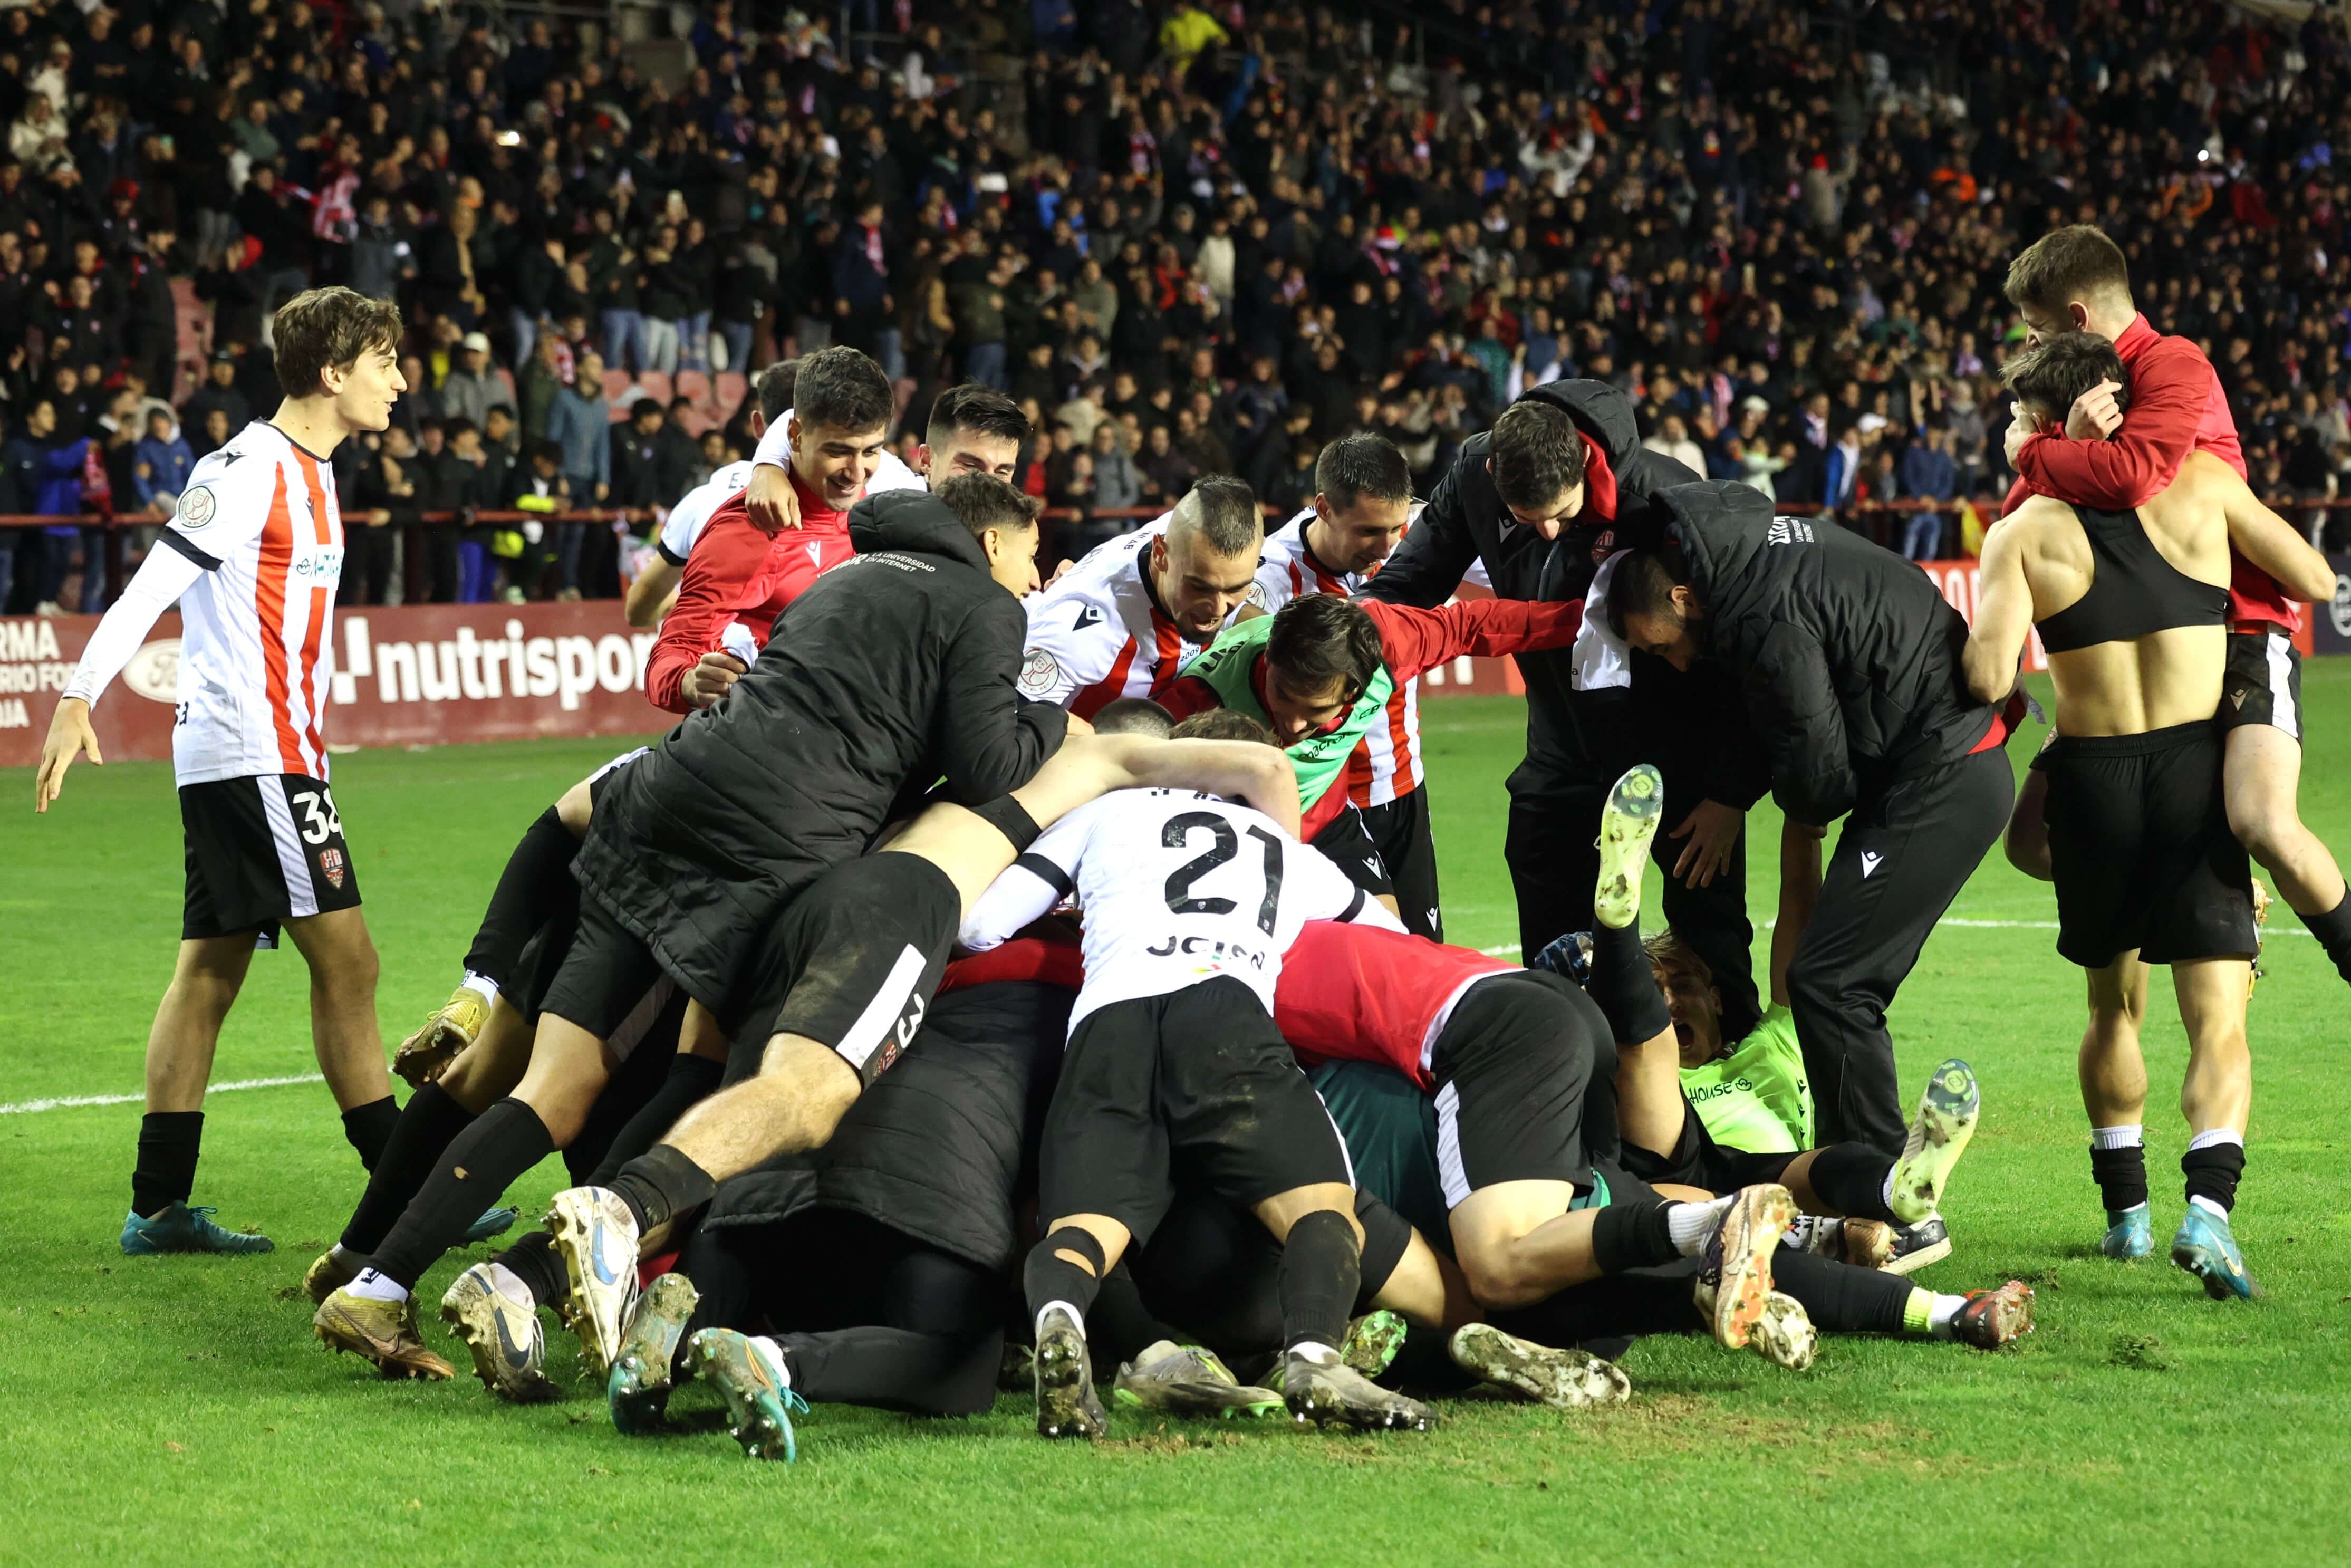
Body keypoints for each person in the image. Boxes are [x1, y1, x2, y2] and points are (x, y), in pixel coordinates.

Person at [305, 475, 1071, 1368]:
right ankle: (570, 1255)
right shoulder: (983, 603)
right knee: (708, 1077)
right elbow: (984, 762)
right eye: (1028, 549)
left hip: (662, 801)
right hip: (764, 852)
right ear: (988, 545)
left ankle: (377, 1283)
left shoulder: (848, 571)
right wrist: (1048, 723)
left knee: (548, 1088)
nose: (1035, 569)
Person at [34, 287, 410, 1255]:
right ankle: (408, 1188)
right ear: (333, 373)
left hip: (263, 753)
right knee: (351, 961)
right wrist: (77, 695)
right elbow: (148, 586)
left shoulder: (316, 471)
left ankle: (157, 1205)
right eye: (384, 363)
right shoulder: (245, 471)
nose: (400, 381)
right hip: (258, 756)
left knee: (208, 967)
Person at [1963, 333, 2334, 1300]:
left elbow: (1983, 674)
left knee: (2109, 1006)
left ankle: (2123, 1214)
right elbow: (2313, 580)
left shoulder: (2018, 531)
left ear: (2045, 427)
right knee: (2217, 1019)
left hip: (2089, 774)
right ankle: (2206, 1210)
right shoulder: (2204, 483)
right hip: (2190, 766)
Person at [955, 710, 1442, 1437]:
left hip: (1105, 1023)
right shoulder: (1280, 846)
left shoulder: (1100, 813)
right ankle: (1313, 1355)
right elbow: (1394, 946)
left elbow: (977, 925)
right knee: (1319, 1205)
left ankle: (1060, 1320)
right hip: (1224, 1013)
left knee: (1084, 1229)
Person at [1606, 479, 2022, 1266]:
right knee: (1831, 979)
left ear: (1684, 596)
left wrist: (1790, 809)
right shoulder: (1762, 563)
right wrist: (1735, 793)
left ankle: (1890, 1200)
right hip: (1939, 764)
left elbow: (1817, 768)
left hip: (1943, 774)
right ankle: (1864, 1188)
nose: (1671, 660)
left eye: (1659, 642)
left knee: (1830, 980)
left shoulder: (1759, 616)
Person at [1996, 224, 2351, 992]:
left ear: (2077, 321)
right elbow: (2027, 516)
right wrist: (2052, 448)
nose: (2030, 349)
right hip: (2148, 633)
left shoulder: (2171, 364)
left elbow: (2129, 476)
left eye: (2037, 331)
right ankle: (2213, 897)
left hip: (2240, 623)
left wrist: (2029, 449)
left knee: (2259, 819)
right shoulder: (2079, 398)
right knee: (2029, 840)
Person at [1361, 380, 1765, 1038]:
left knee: (1712, 946)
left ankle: (1746, 1106)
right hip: (1560, 750)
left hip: (1680, 759)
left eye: (1562, 513)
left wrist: (1729, 793)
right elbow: (1406, 587)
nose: (1548, 532)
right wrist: (1351, 642)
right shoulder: (1473, 474)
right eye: (1526, 517)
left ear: (1583, 462)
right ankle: (1572, 1112)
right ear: (1495, 474)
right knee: (1554, 956)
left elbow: (1737, 654)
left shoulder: (1668, 499)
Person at [1160, 589, 1585, 914]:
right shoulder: (1197, 701)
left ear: (1356, 692)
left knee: (1393, 940)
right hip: (1237, 833)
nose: (1290, 727)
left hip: (1323, 816)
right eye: (1281, 696)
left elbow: (1473, 624)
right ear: (1269, 657)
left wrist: (1587, 620)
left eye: (1315, 715)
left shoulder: (1388, 645)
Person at [647, 377, 1028, 712]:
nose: (988, 484)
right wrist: (769, 465)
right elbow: (815, 418)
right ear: (927, 459)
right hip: (776, 724)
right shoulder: (884, 487)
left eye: (1004, 472)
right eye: (970, 466)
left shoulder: (1010, 547)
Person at [1248, 432, 1449, 936]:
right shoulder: (1270, 581)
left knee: (1425, 952)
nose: (1386, 547)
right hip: (1328, 803)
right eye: (1368, 532)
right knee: (1359, 954)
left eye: (1395, 529)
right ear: (1325, 509)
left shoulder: (1418, 540)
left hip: (1405, 788)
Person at [1015, 474, 1265, 715]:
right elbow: (1009, 730)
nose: (1219, 609)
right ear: (1160, 555)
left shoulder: (1186, 532)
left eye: (1236, 588)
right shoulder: (1087, 633)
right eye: (1200, 587)